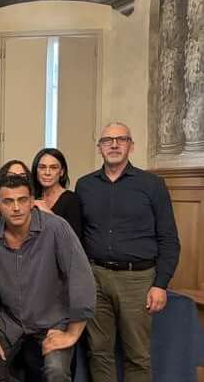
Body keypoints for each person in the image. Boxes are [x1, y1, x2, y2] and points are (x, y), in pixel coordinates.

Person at [76, 122, 180, 382]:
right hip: (95, 277)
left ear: (131, 146)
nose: (114, 145)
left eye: (121, 139)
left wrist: (161, 284)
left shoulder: (152, 185)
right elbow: (77, 235)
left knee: (137, 355)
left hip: (137, 280)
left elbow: (169, 239)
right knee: (98, 352)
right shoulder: (85, 185)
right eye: (107, 140)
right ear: (99, 147)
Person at [0, 174, 96, 382]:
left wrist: (72, 334)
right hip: (9, 321)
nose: (16, 208)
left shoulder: (57, 228)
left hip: (53, 320)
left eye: (22, 200)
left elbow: (81, 279)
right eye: (8, 201)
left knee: (56, 371)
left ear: (32, 201)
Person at [32, 148, 83, 238]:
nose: (47, 173)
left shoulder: (71, 200)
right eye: (42, 167)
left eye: (53, 168)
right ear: (36, 170)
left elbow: (73, 239)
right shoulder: (32, 197)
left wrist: (48, 213)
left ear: (62, 172)